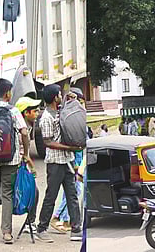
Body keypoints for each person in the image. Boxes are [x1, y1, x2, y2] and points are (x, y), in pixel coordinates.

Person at [0, 79, 30, 244]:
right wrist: (26, 152)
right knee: (7, 193)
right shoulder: (14, 111)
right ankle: (7, 232)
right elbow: (24, 132)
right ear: (8, 93)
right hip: (11, 158)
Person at [35, 84, 83, 243]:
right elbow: (48, 142)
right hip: (55, 162)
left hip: (67, 160)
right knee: (51, 196)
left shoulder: (61, 110)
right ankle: (41, 228)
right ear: (55, 97)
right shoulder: (46, 117)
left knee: (72, 195)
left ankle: (76, 229)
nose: (62, 96)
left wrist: (74, 100)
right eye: (59, 94)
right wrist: (70, 147)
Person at [50, 89, 85, 233]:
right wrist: (77, 165)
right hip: (73, 160)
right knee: (73, 191)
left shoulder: (67, 113)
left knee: (71, 191)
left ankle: (65, 219)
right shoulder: (69, 115)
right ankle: (59, 217)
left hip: (75, 158)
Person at [14, 96, 42, 234]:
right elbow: (23, 153)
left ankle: (30, 222)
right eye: (34, 111)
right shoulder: (21, 130)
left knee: (30, 192)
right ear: (26, 113)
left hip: (21, 165)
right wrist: (31, 165)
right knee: (8, 195)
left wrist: (31, 166)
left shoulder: (28, 127)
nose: (37, 114)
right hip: (15, 166)